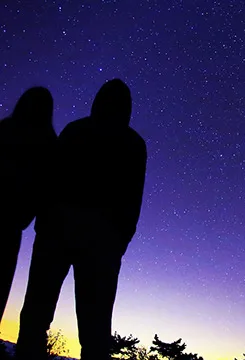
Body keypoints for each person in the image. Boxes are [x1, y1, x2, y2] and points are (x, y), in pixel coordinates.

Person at [15, 79, 147, 360]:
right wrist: (117, 241)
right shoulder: (130, 142)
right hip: (79, 236)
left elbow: (50, 178)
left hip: (71, 235)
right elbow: (132, 200)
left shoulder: (79, 130)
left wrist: (115, 242)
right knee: (89, 326)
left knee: (45, 317)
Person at [0, 87, 56, 324]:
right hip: (11, 228)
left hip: (11, 226)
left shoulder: (6, 129)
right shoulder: (48, 143)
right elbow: (45, 191)